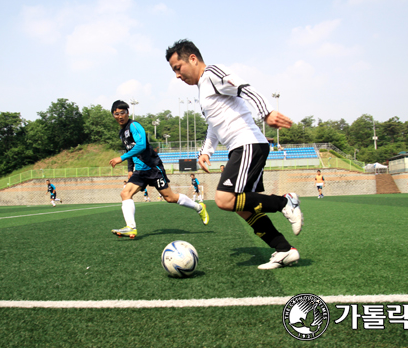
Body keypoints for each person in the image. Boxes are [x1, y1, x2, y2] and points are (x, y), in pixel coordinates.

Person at [166, 39, 303, 270]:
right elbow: (214, 126)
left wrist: (266, 112)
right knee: (241, 207)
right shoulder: (203, 89)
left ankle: (285, 201)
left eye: (177, 68)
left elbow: (244, 87)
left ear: (192, 58)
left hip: (247, 143)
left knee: (224, 199)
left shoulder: (212, 74)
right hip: (242, 147)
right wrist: (205, 152)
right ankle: (284, 250)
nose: (177, 76)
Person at [108, 100, 209, 239]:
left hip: (153, 168)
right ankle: (131, 228)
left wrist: (121, 158)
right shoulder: (122, 132)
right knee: (125, 193)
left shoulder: (134, 126)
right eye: (116, 114)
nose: (120, 116)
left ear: (128, 113)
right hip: (140, 171)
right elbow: (130, 149)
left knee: (170, 198)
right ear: (113, 115)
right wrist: (130, 168)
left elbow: (141, 145)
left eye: (122, 113)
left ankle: (199, 208)